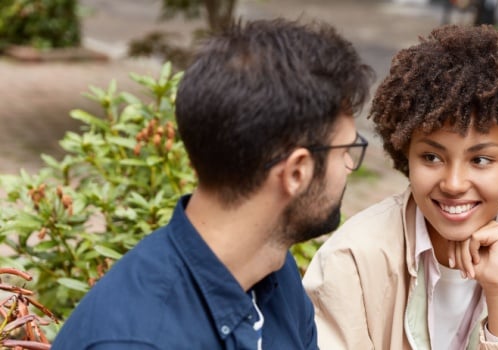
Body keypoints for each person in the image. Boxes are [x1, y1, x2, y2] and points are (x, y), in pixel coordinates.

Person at [53, 18, 373, 349]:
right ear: (296, 173)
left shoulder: (273, 268)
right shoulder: (135, 340)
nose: (349, 165)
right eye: (345, 150)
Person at [303, 24, 498, 350]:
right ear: (405, 153)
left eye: (481, 160)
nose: (454, 184)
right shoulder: (353, 260)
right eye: (431, 156)